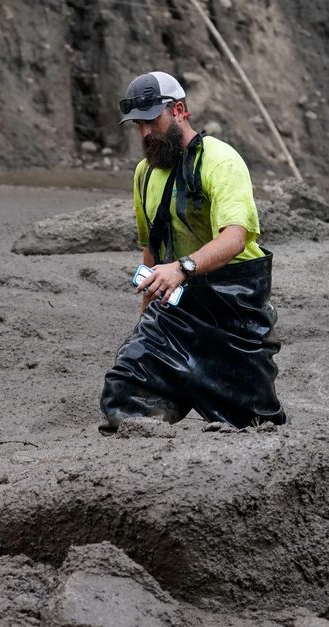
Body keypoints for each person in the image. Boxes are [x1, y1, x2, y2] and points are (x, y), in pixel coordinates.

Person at [99, 70, 286, 432]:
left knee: (257, 422)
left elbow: (235, 238)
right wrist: (146, 312)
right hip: (176, 305)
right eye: (138, 125)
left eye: (151, 121)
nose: (145, 133)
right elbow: (150, 249)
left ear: (179, 110)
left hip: (234, 311)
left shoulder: (222, 161)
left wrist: (181, 268)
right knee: (125, 390)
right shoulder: (144, 173)